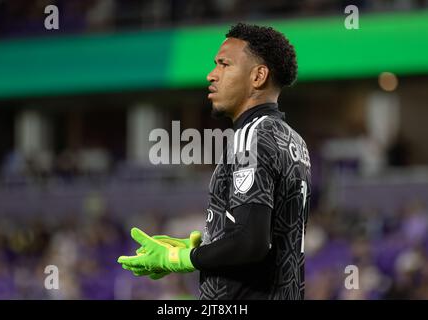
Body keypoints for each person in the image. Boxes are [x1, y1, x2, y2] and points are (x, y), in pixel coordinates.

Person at [118, 22, 311, 300]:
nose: (211, 75)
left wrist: (178, 258)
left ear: (258, 76)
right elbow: (266, 235)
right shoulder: (293, 140)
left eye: (224, 65)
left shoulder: (251, 135)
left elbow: (250, 243)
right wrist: (204, 243)